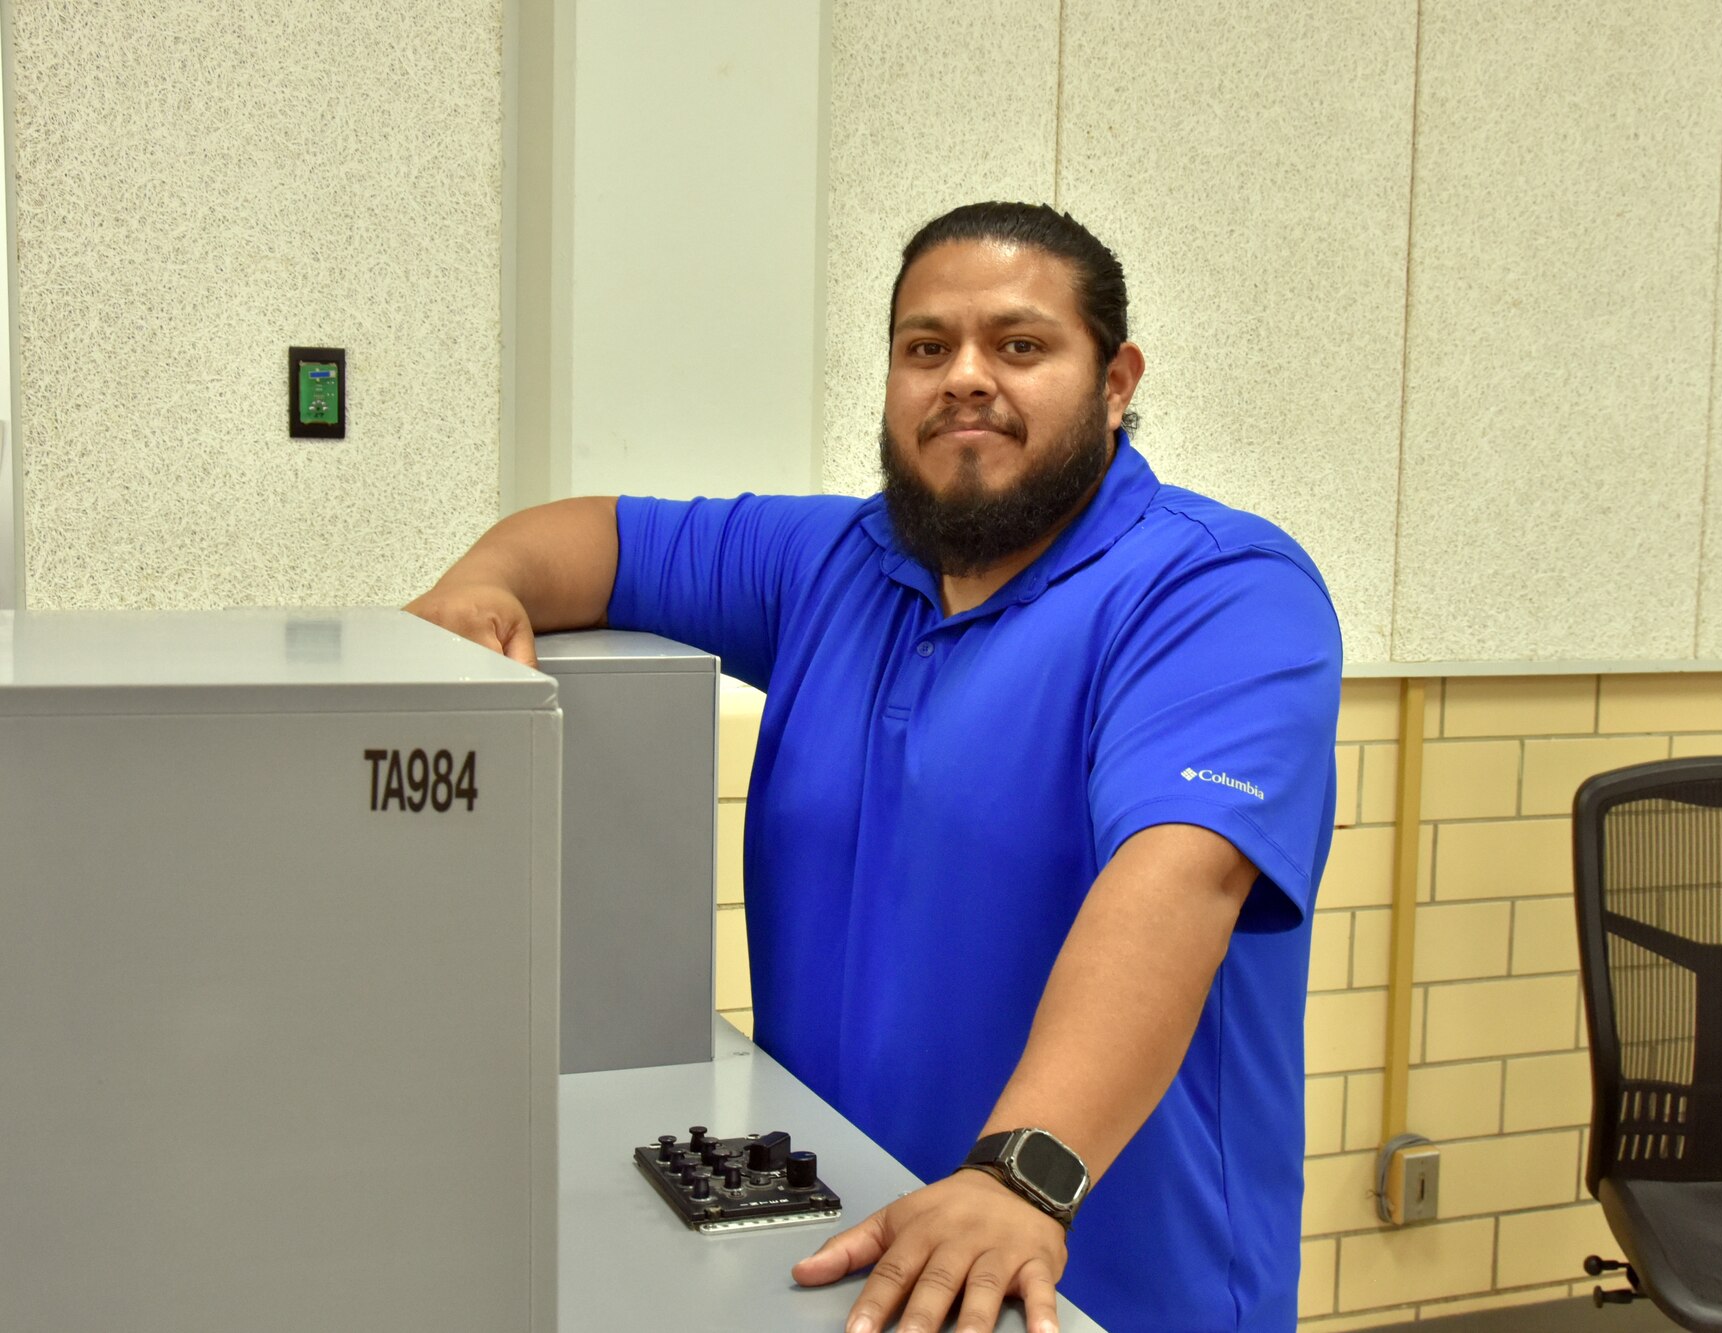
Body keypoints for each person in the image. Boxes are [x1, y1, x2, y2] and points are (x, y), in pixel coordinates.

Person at [408, 202, 1341, 1333]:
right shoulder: (834, 563)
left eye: (1019, 344)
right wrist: (481, 585)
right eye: (924, 346)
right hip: (865, 1259)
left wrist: (1017, 1179)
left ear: (1115, 380)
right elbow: (599, 537)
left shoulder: (1216, 589)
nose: (964, 378)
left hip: (1099, 1279)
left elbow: (1176, 876)